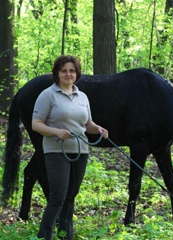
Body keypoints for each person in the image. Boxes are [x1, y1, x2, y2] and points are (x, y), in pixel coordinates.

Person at [32, 55, 108, 240]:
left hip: (81, 150)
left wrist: (97, 128)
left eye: (72, 71)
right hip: (56, 151)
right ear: (57, 73)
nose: (68, 74)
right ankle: (45, 236)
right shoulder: (48, 94)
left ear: (77, 73)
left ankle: (66, 236)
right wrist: (55, 132)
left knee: (71, 196)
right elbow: (36, 124)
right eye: (64, 71)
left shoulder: (82, 96)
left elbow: (86, 123)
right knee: (58, 196)